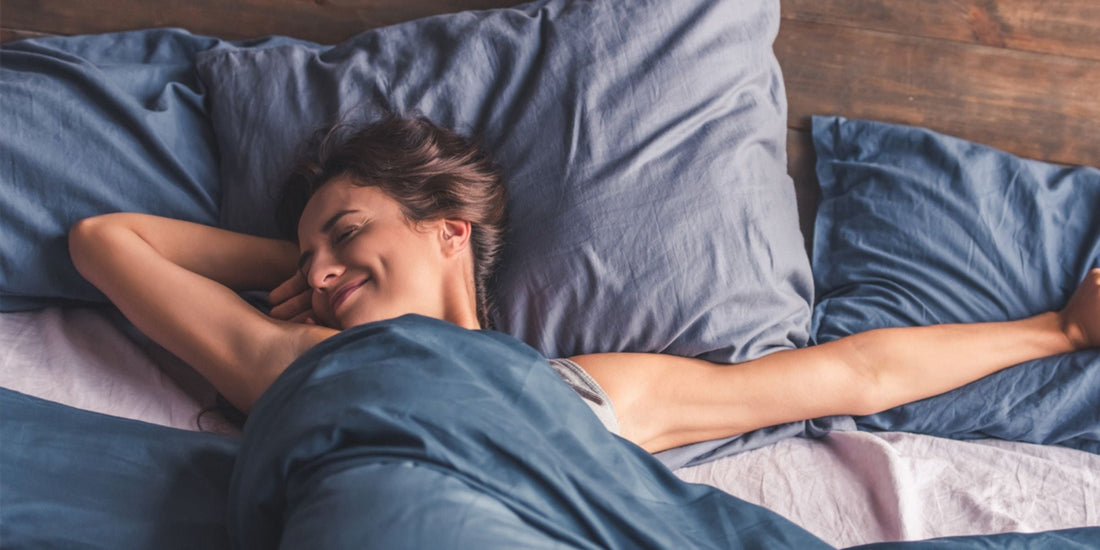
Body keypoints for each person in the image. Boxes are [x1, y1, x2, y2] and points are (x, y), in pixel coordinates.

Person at [69, 114, 1100, 454]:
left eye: (343, 234)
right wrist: (293, 269)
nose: (326, 271)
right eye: (311, 259)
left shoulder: (590, 390)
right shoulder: (289, 361)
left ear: (447, 231)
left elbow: (854, 376)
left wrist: (1056, 331)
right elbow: (104, 239)